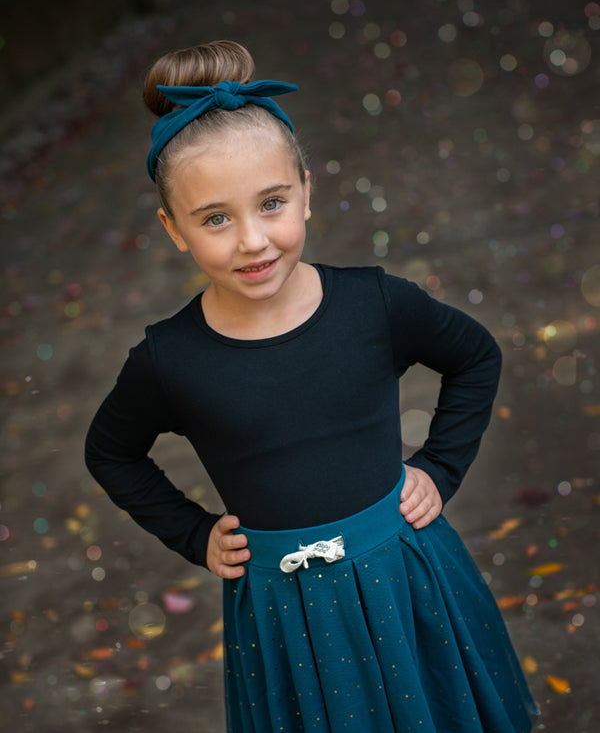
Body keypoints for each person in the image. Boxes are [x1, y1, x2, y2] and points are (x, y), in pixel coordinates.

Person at [85, 40, 538, 732]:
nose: (252, 241)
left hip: (406, 580)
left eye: (271, 203)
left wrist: (441, 468)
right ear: (173, 229)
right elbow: (111, 451)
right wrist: (194, 533)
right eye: (215, 218)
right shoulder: (168, 359)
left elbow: (474, 356)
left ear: (306, 190)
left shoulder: (375, 304)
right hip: (284, 614)